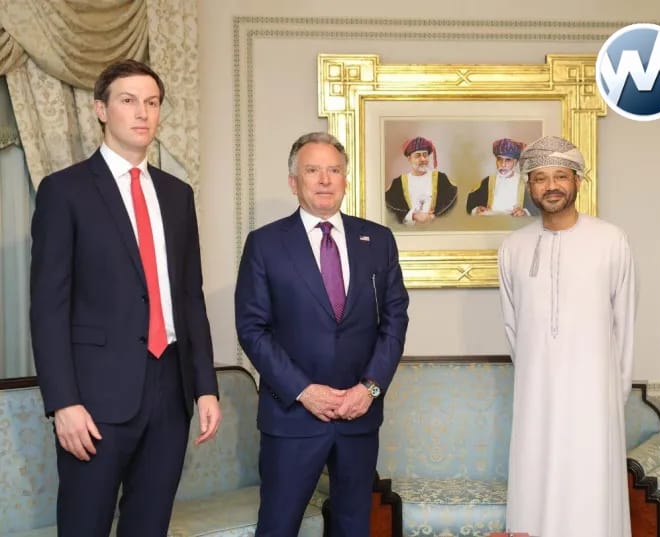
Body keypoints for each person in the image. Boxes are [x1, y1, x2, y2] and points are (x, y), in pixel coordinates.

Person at [29, 59, 221, 537]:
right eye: (128, 100)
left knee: (149, 526)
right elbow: (48, 307)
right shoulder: (64, 191)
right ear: (101, 109)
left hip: (170, 389)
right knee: (84, 526)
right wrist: (63, 403)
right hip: (94, 397)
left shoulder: (178, 195)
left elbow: (190, 298)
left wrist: (205, 386)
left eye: (152, 103)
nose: (142, 113)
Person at [235, 132, 410, 537]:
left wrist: (369, 389)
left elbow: (395, 320)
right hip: (293, 415)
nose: (325, 180)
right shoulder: (265, 244)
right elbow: (252, 328)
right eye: (313, 170)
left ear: (346, 180)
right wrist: (304, 390)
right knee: (278, 526)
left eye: (334, 170)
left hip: (358, 413)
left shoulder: (377, 240)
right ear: (294, 182)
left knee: (354, 526)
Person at [497, 135, 636, 537]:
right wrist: (538, 376)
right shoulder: (513, 247)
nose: (551, 186)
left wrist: (613, 397)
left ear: (577, 181)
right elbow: (513, 327)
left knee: (592, 493)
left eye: (560, 176)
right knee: (534, 483)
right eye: (540, 178)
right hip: (536, 398)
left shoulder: (611, 240)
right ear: (529, 185)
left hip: (596, 399)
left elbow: (624, 325)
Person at [385, 136, 457, 224]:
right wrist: (413, 216)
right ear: (409, 159)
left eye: (425, 155)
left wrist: (433, 216)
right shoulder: (398, 183)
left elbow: (452, 205)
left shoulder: (441, 179)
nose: (423, 159)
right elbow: (391, 211)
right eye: (417, 156)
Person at [466, 138, 537, 216]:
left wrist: (525, 212)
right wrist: (477, 209)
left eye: (508, 160)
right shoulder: (488, 181)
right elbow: (470, 204)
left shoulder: (524, 183)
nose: (503, 164)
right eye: (499, 159)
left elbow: (537, 208)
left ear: (515, 162)